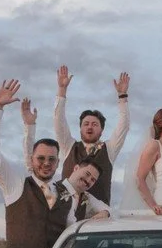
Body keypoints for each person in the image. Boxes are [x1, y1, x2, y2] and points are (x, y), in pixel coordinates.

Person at [0, 79, 111, 248]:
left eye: (52, 159)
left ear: (59, 162)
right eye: (40, 158)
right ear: (31, 160)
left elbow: (78, 225)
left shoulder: (65, 193)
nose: (46, 163)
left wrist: (100, 217)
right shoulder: (15, 186)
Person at [54, 65, 130, 206]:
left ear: (101, 130)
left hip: (99, 218)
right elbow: (59, 122)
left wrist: (122, 97)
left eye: (95, 124)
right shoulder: (68, 146)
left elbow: (123, 126)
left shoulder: (109, 149)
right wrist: (62, 91)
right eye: (86, 123)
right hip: (67, 211)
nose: (90, 127)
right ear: (80, 128)